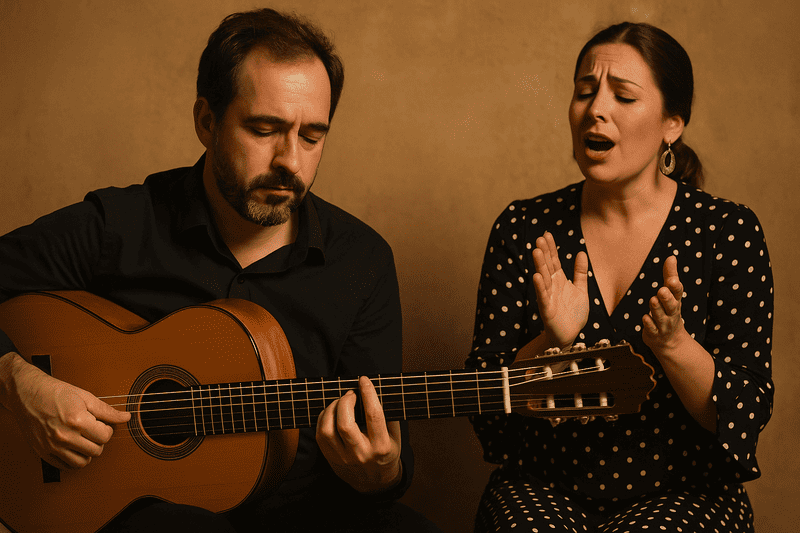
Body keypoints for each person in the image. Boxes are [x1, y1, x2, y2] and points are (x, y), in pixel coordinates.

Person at [0, 8, 440, 533]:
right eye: (264, 129)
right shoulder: (121, 224)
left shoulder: (361, 261)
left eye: (312, 136)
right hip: (138, 512)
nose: (290, 161)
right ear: (207, 122)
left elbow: (387, 453)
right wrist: (16, 379)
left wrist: (381, 471)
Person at [467, 22, 773, 533]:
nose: (595, 109)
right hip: (543, 486)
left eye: (623, 96)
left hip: (687, 491)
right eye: (585, 91)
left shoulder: (727, 231)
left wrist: (674, 345)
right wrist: (550, 342)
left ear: (672, 123)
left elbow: (744, 411)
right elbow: (486, 407)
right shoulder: (524, 228)